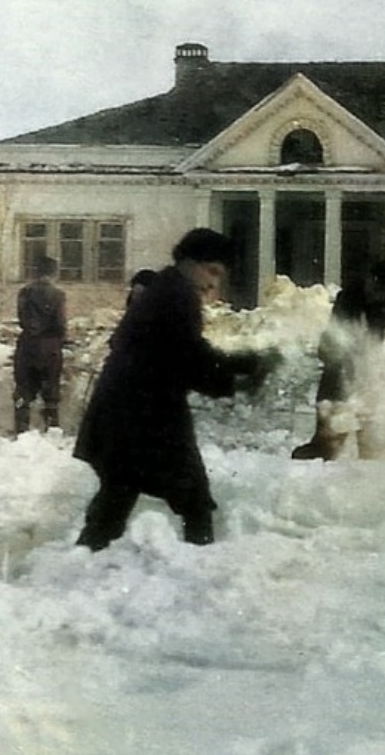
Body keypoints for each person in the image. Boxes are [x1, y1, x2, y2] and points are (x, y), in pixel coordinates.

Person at [73, 228, 268, 550]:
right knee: (194, 501)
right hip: (147, 420)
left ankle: (82, 561)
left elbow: (185, 351)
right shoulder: (177, 296)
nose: (213, 284)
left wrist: (238, 365)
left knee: (116, 498)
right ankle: (200, 567)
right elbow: (187, 358)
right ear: (190, 262)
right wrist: (239, 374)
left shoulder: (166, 290)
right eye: (212, 271)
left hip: (127, 417)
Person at [291, 261, 385, 461]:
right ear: (370, 279)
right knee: (331, 415)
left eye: (383, 292)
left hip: (370, 371)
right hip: (339, 363)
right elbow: (340, 333)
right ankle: (322, 447)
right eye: (376, 288)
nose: (377, 295)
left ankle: (369, 453)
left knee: (368, 425)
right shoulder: (349, 297)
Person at [14, 255, 67, 433]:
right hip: (50, 346)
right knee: (51, 392)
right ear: (54, 273)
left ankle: (21, 431)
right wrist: (62, 339)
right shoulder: (58, 294)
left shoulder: (24, 292)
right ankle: (51, 431)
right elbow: (59, 322)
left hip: (27, 345)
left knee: (23, 391)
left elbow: (22, 318)